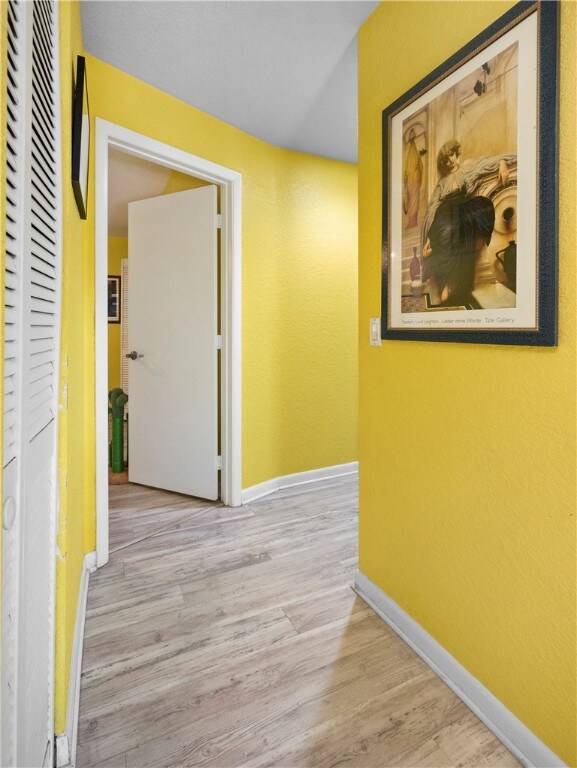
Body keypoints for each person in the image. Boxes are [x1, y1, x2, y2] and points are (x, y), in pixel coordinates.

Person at [421, 139, 515, 253]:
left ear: (456, 152)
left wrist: (502, 163)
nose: (451, 160)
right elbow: (433, 205)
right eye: (446, 159)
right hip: (445, 211)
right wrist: (429, 235)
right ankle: (435, 247)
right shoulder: (443, 181)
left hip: (460, 208)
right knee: (446, 224)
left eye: (451, 155)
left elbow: (485, 163)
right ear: (444, 162)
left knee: (484, 205)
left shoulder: (466, 166)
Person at [423, 190, 495, 307]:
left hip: (460, 228)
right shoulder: (445, 233)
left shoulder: (455, 223)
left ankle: (451, 290)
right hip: (450, 236)